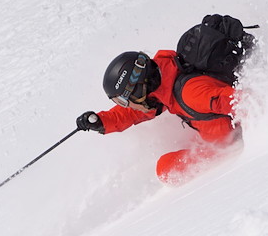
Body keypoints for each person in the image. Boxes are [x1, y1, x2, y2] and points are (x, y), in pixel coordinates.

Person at [76, 50, 242, 184]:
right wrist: (101, 121)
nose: (127, 106)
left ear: (140, 89)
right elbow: (133, 112)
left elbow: (244, 100)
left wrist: (255, 131)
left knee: (167, 168)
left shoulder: (190, 93)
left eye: (126, 100)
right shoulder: (164, 81)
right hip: (218, 133)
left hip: (232, 143)